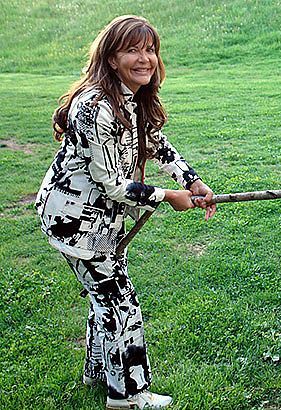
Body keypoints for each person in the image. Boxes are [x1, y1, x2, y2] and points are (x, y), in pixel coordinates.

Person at [35, 15, 216, 410]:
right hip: (76, 222)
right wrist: (169, 195)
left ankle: (98, 371)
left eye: (149, 49)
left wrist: (192, 180)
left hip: (102, 222)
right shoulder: (94, 107)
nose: (144, 58)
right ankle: (128, 395)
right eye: (132, 49)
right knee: (120, 303)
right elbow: (112, 184)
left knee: (105, 297)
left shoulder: (130, 97)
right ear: (111, 58)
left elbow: (156, 142)